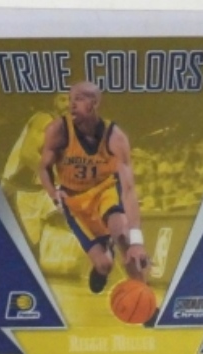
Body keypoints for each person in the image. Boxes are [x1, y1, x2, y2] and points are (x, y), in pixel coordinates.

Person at [38, 80, 150, 293]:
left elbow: (128, 190)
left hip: (105, 190)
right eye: (70, 99)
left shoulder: (115, 137)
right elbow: (43, 168)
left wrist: (137, 241)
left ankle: (144, 296)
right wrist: (53, 193)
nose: (71, 105)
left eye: (78, 99)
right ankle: (103, 261)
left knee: (123, 236)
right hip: (74, 200)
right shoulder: (58, 130)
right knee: (104, 265)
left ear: (94, 103)